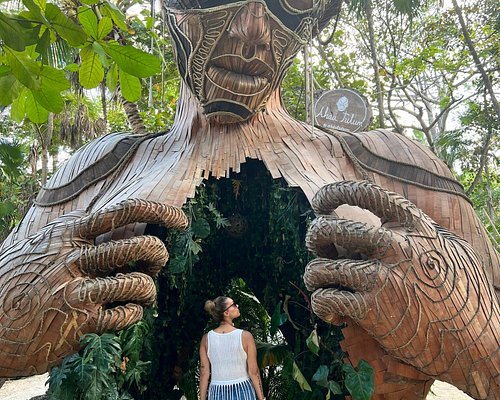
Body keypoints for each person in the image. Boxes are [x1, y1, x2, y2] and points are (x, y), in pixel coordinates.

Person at [0, 1, 498, 399]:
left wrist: (469, 333)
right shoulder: (93, 175)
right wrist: (11, 324)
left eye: (291, 2)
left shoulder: (394, 170)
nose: (252, 29)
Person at [199, 296, 265, 400]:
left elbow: (204, 372)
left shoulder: (206, 339)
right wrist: (261, 398)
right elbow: (254, 371)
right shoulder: (245, 336)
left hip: (217, 392)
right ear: (226, 313)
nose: (237, 306)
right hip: (243, 390)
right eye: (233, 305)